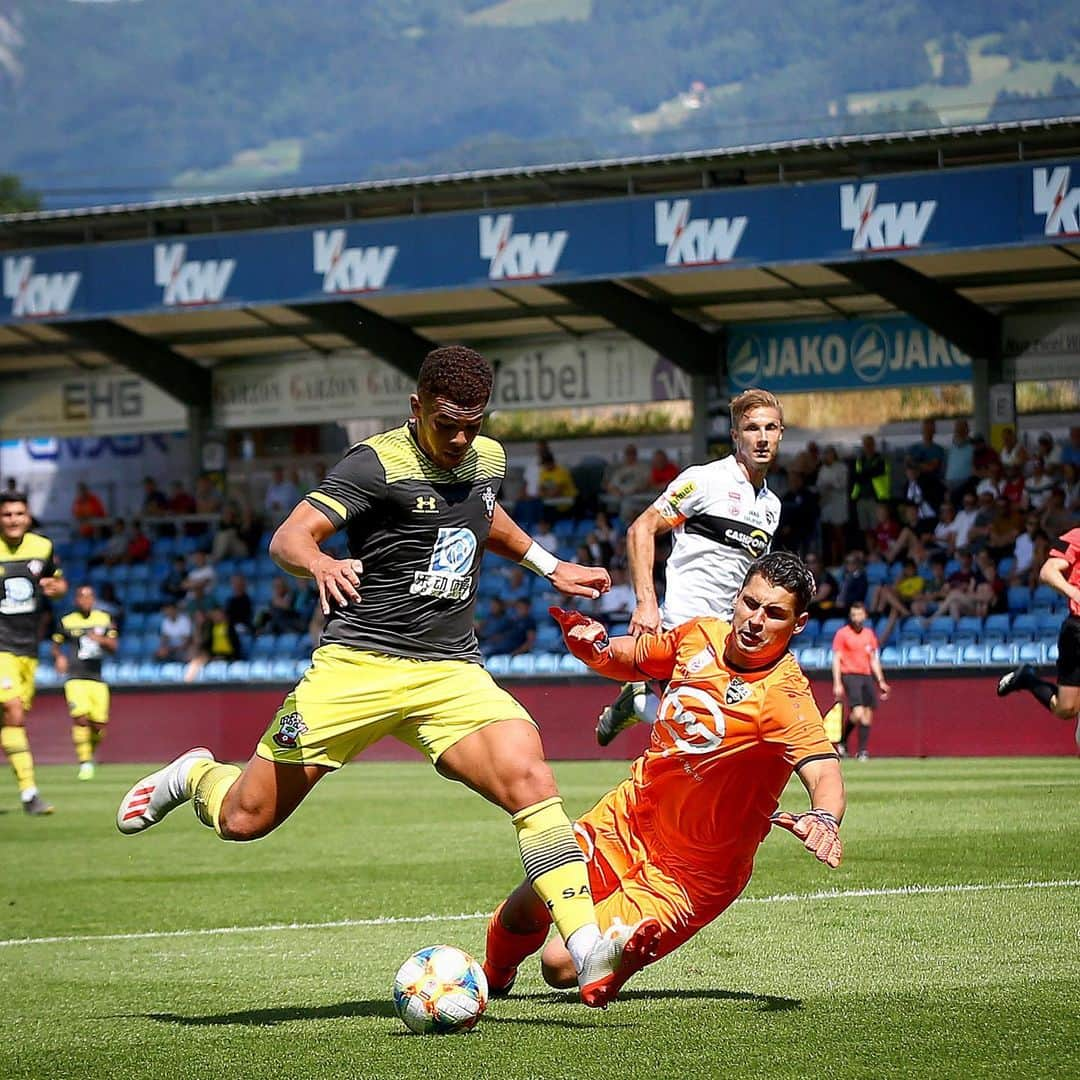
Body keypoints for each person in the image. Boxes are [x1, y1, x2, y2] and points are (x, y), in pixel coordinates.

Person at [116, 345, 653, 1008]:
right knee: (246, 818)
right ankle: (194, 775)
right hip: (357, 667)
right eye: (446, 423)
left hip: (450, 671)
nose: (460, 438)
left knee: (532, 781)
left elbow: (482, 513)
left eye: (473, 423)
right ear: (416, 407)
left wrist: (550, 564)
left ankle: (586, 943)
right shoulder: (373, 463)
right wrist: (316, 563)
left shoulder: (487, 458)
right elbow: (288, 538)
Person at [482, 552, 845, 999]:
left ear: (799, 623)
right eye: (750, 603)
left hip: (693, 871)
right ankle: (488, 981)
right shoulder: (698, 637)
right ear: (737, 597)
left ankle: (617, 961)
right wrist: (595, 649)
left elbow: (824, 768)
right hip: (629, 818)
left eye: (774, 614)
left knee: (559, 965)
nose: (755, 620)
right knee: (526, 906)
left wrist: (824, 817)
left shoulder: (785, 697)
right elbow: (633, 659)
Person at [595, 388, 784, 746]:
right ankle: (640, 704)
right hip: (686, 622)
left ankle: (639, 703)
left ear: (780, 434)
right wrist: (646, 603)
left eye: (770, 428)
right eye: (752, 429)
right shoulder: (705, 480)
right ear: (735, 436)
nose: (761, 438)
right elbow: (642, 529)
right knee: (706, 735)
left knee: (722, 732)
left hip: (730, 631)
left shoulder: (771, 506)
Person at [0, 491, 66, 814]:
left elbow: (57, 582)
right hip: (0, 648)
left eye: (18, 514)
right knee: (11, 708)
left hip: (28, 647)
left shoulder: (43, 546)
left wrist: (57, 588)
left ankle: (27, 796)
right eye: (7, 514)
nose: (13, 520)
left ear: (27, 517)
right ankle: (30, 794)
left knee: (14, 721)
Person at [997, 526, 1080, 749]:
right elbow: (1048, 571)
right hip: (1077, 631)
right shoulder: (1076, 537)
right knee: (1066, 709)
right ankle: (1028, 679)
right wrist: (1073, 592)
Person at [51, 584, 118, 780]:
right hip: (75, 677)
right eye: (82, 597)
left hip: (96, 678)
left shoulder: (104, 619)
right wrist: (59, 657)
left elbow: (114, 646)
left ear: (94, 600)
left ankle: (89, 754)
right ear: (76, 600)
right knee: (80, 718)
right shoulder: (67, 621)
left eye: (89, 597)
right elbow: (55, 646)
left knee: (99, 724)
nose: (86, 601)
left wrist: (101, 639)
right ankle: (85, 762)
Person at [831, 600, 889, 760]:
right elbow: (836, 658)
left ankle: (862, 750)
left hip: (866, 675)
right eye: (853, 614)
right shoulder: (842, 634)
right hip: (850, 675)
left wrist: (881, 681)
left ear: (865, 615)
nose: (856, 617)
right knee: (857, 713)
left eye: (859, 614)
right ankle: (842, 741)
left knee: (868, 713)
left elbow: (873, 659)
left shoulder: (869, 634)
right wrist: (837, 683)